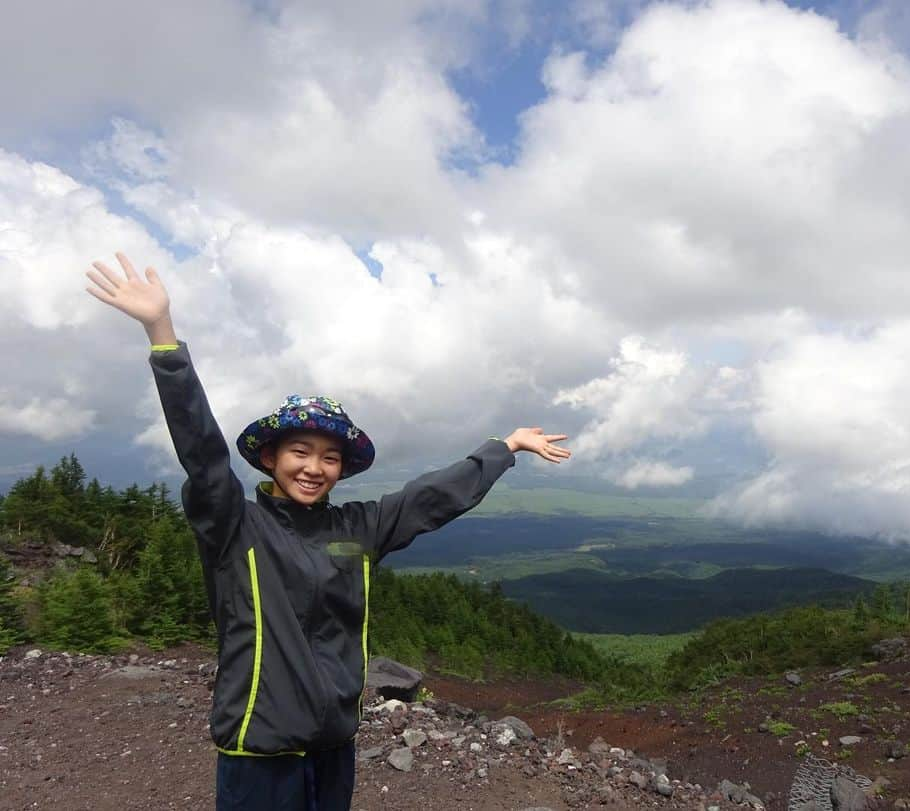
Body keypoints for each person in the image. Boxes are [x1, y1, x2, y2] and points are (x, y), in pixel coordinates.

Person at [85, 252, 571, 811]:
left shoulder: (357, 529)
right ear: (270, 457)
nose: (314, 468)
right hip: (259, 751)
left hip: (335, 745)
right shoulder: (234, 526)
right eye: (300, 451)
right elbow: (203, 453)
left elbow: (429, 499)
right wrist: (162, 334)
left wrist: (503, 447)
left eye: (330, 457)